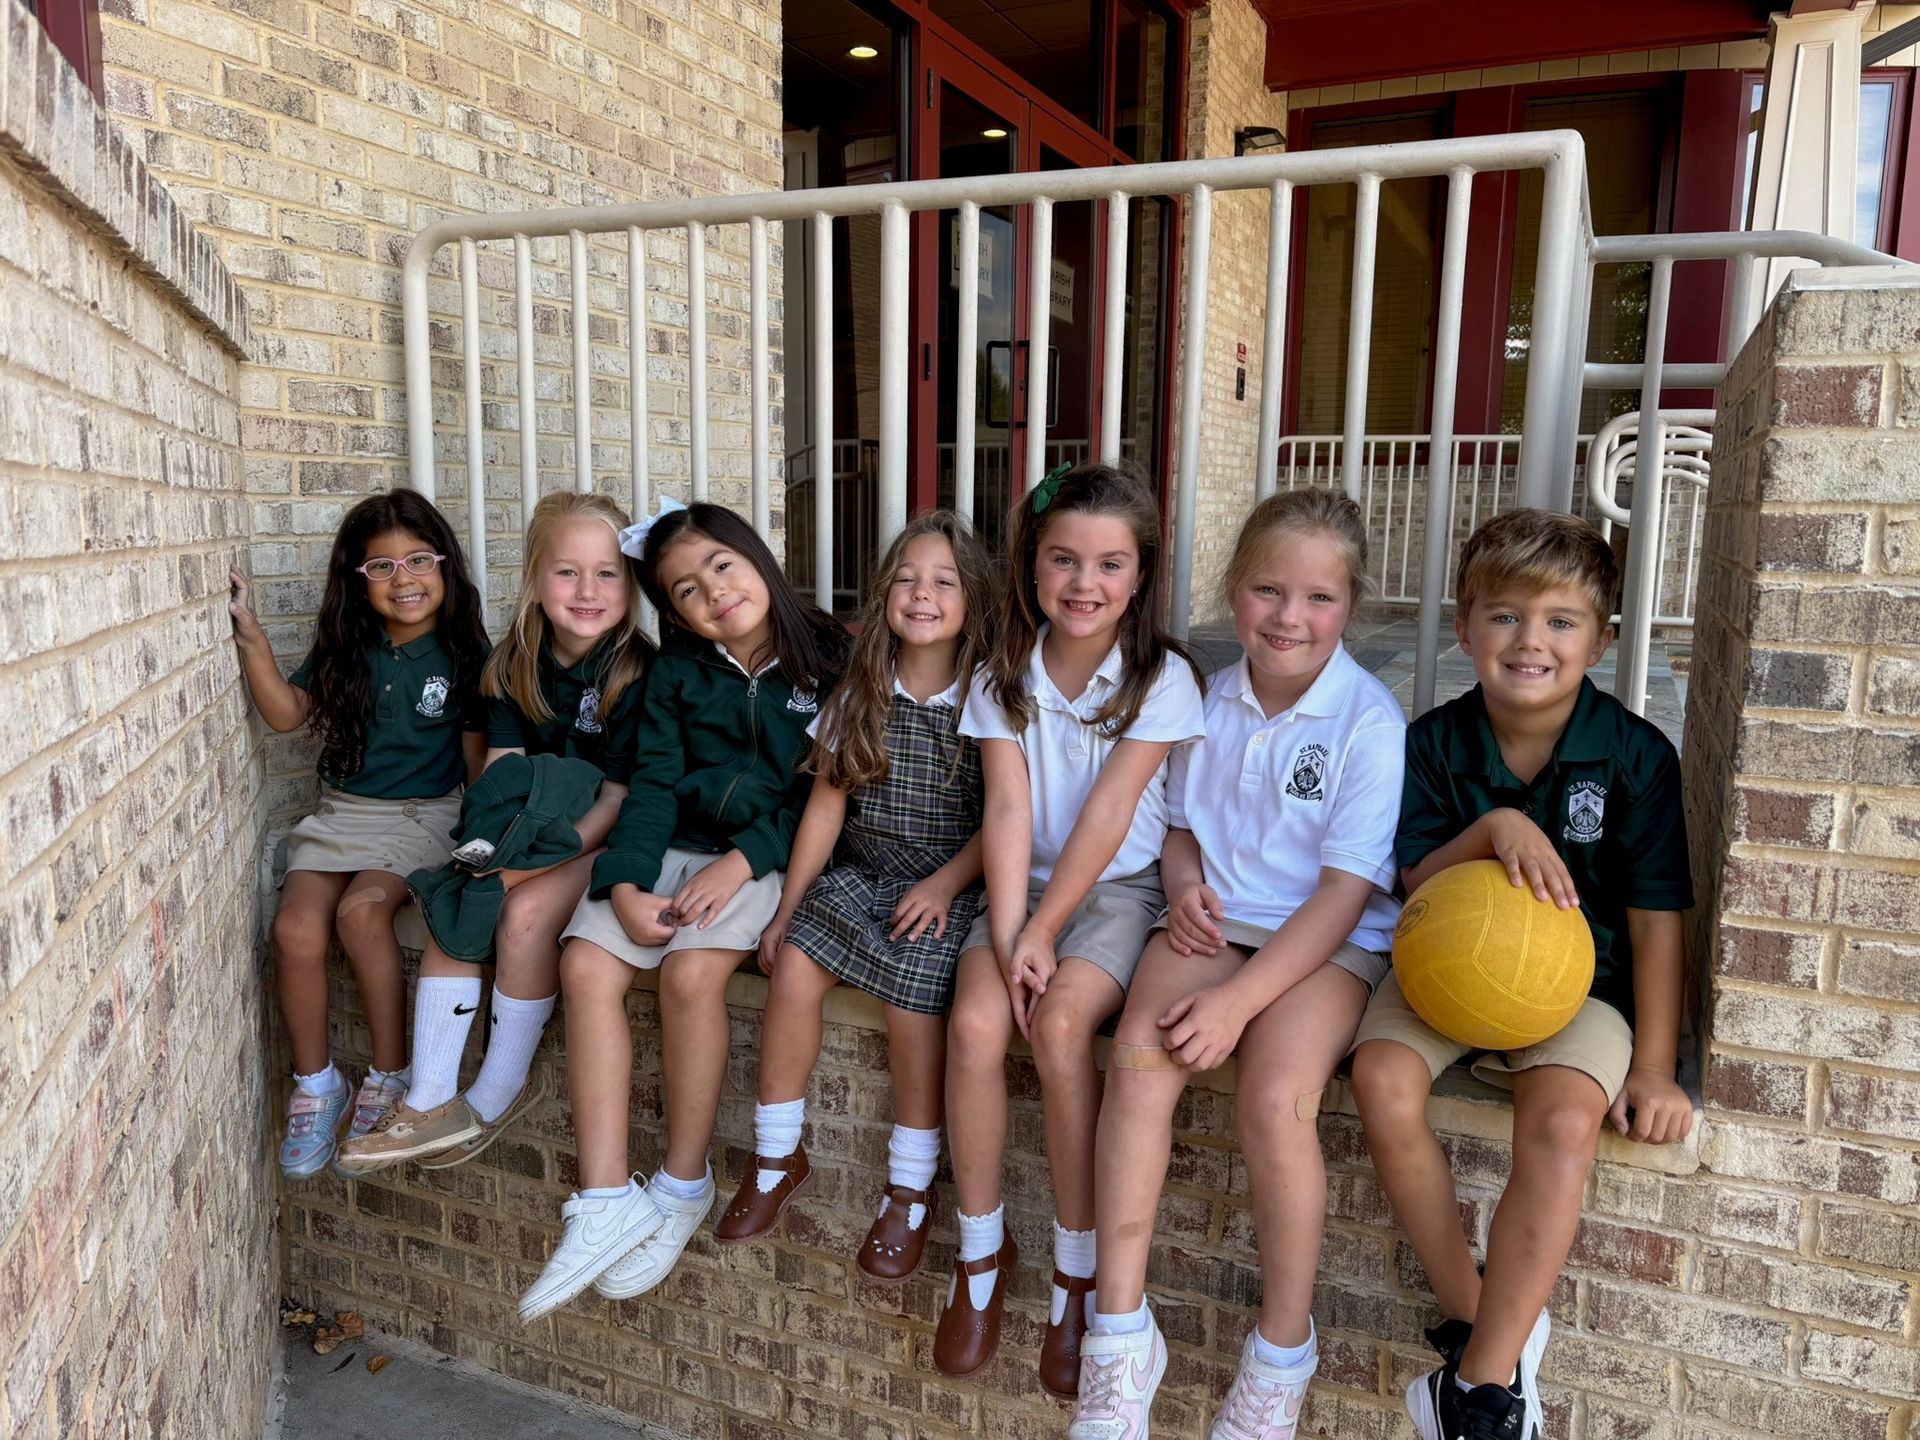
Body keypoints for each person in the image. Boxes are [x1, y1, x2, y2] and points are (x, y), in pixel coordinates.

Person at [1349, 508, 1695, 1440]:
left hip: (1581, 989)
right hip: (1445, 972)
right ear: (1465, 629)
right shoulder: (1431, 744)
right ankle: (1485, 1328)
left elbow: (1659, 917)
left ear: (1604, 637)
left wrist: (1656, 1067)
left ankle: (1479, 1388)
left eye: (1560, 620)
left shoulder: (1635, 756)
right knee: (1379, 1078)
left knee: (1565, 1116)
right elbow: (1418, 876)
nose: (1530, 641)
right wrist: (1498, 827)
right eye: (1503, 616)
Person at [1070, 489, 1406, 1438]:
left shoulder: (1368, 723)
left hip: (1328, 939)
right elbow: (1180, 829)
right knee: (1140, 1059)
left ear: (1351, 607)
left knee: (1274, 1096)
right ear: (1232, 590)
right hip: (1219, 922)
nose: (1290, 618)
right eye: (1267, 590)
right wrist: (1180, 890)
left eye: (1319, 598)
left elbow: (1345, 893)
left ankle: (1279, 1359)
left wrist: (1237, 1006)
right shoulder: (1205, 699)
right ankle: (1119, 1340)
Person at [517, 499, 847, 1322]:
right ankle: (601, 1201)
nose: (713, 595)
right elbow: (654, 785)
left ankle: (682, 1180)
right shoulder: (675, 674)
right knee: (586, 961)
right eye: (686, 591)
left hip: (764, 855)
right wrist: (625, 884)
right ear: (671, 611)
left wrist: (742, 863)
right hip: (672, 846)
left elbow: (820, 795)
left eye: (723, 568)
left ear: (757, 557)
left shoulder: (833, 654)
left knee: (693, 976)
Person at [935, 462, 1206, 1395]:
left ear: (1140, 576)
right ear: (1029, 568)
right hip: (1023, 891)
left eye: (1109, 564)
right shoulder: (999, 672)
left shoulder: (1160, 678)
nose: (1084, 584)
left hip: (1119, 891)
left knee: (1058, 1029)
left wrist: (1044, 932)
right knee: (974, 1024)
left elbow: (1108, 815)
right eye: (1063, 560)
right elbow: (1007, 812)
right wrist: (1012, 936)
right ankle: (980, 1255)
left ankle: (1076, 1273)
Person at [338, 491, 652, 1173]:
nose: (588, 590)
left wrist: (539, 862)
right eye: (567, 572)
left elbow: (622, 798)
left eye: (607, 574)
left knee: (525, 913)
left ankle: (496, 1093)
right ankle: (427, 1099)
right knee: (462, 890)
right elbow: (502, 777)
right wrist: (490, 855)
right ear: (536, 579)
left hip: (602, 835)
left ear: (630, 583)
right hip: (531, 828)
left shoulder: (638, 672)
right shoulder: (513, 663)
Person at [725, 512, 994, 1282]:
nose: (923, 594)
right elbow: (827, 804)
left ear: (972, 598)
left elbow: (1011, 821)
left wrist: (946, 883)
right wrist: (786, 908)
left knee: (914, 999)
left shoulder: (987, 697)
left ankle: (909, 1187)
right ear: (883, 596)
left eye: (944, 582)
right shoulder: (864, 688)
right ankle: (777, 1153)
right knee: (797, 965)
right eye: (907, 579)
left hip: (947, 888)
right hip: (864, 875)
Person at [230, 490, 490, 1179]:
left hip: (422, 817)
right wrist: (253, 641)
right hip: (341, 812)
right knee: (295, 931)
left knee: (362, 913)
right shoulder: (348, 648)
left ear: (445, 565)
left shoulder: (465, 655)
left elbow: (473, 767)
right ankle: (317, 1087)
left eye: (417, 561)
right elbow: (287, 715)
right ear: (358, 579)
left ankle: (389, 1075)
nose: (403, 579)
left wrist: (477, 843)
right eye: (382, 568)